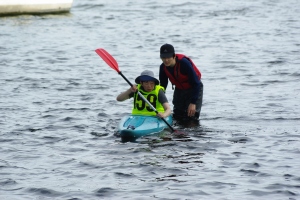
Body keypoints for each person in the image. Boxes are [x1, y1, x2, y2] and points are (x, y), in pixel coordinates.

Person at [159, 43, 203, 120]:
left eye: (168, 57)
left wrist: (193, 103)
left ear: (174, 56)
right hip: (179, 89)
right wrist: (160, 101)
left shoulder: (184, 63)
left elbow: (196, 83)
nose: (166, 60)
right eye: (163, 57)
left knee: (192, 116)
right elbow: (163, 86)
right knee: (177, 115)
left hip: (194, 88)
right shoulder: (163, 67)